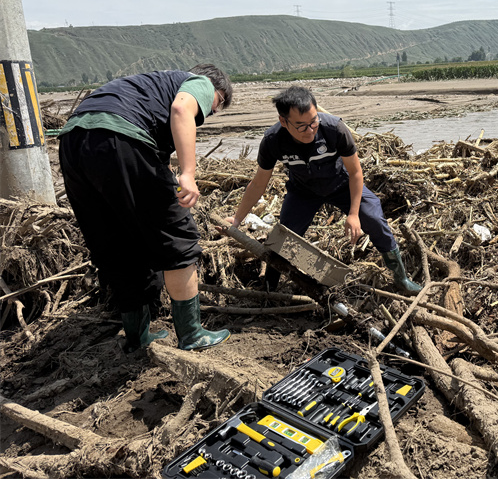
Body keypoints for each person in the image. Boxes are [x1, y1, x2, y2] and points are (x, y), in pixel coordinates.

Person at [58, 64, 233, 352]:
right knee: (178, 238)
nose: (211, 112)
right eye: (217, 105)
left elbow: (151, 158)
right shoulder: (198, 82)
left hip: (73, 141)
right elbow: (181, 110)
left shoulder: (145, 89)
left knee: (115, 243)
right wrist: (188, 172)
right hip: (118, 137)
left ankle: (137, 338)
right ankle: (191, 334)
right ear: (218, 91)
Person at [226, 85, 422, 294]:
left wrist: (354, 214)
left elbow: (356, 173)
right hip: (302, 192)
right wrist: (237, 220)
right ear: (284, 121)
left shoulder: (334, 129)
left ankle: (401, 279)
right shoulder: (273, 141)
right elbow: (258, 184)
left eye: (313, 122)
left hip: (341, 185)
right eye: (301, 126)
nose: (310, 130)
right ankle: (269, 286)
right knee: (284, 237)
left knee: (373, 218)